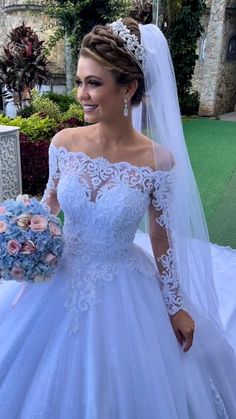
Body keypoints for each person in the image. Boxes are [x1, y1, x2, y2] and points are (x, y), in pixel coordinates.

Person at [0, 17, 236, 419]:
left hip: (124, 288)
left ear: (128, 88)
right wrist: (21, 238)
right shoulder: (64, 143)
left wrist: (175, 305)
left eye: (94, 83)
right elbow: (49, 207)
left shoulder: (157, 161)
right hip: (57, 281)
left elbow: (161, 240)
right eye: (79, 81)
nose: (81, 95)